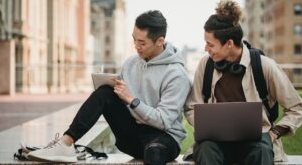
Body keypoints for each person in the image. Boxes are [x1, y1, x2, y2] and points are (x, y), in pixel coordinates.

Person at [28, 10, 191, 165]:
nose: (136, 46)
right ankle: (65, 143)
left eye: (142, 43)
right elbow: (118, 100)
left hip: (164, 139)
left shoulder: (176, 74)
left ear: (160, 41)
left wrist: (132, 100)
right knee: (104, 93)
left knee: (154, 152)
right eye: (134, 39)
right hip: (133, 135)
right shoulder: (131, 63)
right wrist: (109, 85)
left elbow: (163, 121)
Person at [183, 0, 302, 165]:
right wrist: (207, 127)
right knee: (205, 149)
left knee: (262, 151)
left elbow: (297, 107)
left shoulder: (264, 65)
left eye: (210, 44)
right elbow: (191, 106)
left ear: (228, 44)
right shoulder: (206, 65)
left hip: (257, 140)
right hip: (216, 142)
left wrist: (274, 133)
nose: (206, 49)